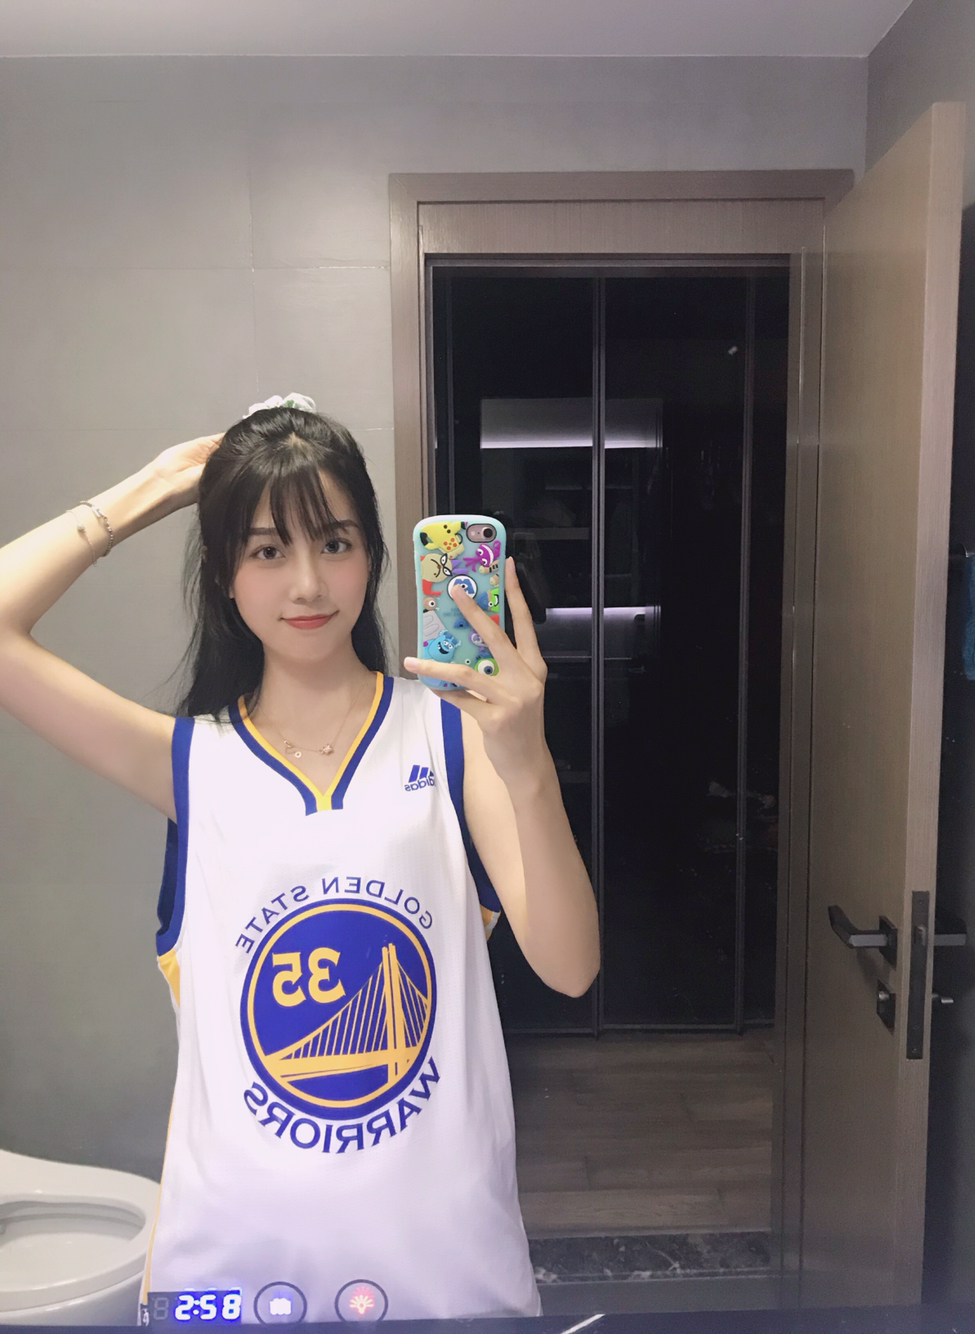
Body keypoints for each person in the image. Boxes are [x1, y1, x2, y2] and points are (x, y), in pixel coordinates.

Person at [0, 396, 600, 1324]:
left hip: (446, 1277)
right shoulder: (189, 762)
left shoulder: (455, 736)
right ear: (225, 576)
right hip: (231, 1278)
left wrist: (530, 769)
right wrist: (153, 488)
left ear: (375, 555)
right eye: (267, 550)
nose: (309, 584)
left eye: (335, 542)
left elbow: (570, 969)